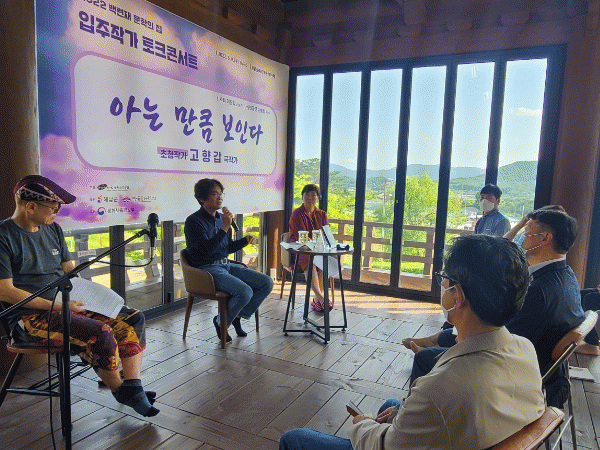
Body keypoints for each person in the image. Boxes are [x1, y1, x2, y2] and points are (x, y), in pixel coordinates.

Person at [279, 234, 545, 450]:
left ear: (457, 296)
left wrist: (362, 424)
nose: (442, 285)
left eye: (444, 280)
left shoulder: (442, 388)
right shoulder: (525, 349)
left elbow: (384, 446)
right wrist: (398, 415)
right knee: (391, 407)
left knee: (294, 440)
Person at [0, 175, 158, 417]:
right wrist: (57, 307)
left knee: (133, 318)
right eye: (53, 208)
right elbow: (5, 291)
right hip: (29, 317)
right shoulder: (4, 236)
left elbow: (68, 269)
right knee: (100, 332)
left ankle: (133, 385)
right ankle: (121, 391)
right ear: (30, 207)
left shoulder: (52, 229)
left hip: (66, 302)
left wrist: (91, 295)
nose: (57, 214)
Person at [406, 207, 584, 408]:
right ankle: (435, 345)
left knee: (425, 356)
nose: (523, 236)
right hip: (544, 367)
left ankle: (412, 407)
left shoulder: (538, 290)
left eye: (527, 232)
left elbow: (494, 335)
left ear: (545, 238)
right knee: (463, 321)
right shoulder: (566, 275)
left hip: (516, 374)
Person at [184, 178, 273, 342]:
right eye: (214, 194)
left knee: (266, 282)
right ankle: (221, 322)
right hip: (207, 269)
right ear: (202, 198)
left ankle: (236, 316)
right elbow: (206, 250)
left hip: (226, 265)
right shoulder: (194, 221)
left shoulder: (221, 218)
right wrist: (225, 227)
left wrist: (244, 241)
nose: (220, 198)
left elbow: (226, 248)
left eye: (221, 194)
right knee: (245, 291)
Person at [288, 184, 338, 312]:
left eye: (313, 195)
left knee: (325, 259)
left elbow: (326, 233)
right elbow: (301, 236)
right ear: (302, 197)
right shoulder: (296, 214)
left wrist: (322, 244)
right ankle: (321, 297)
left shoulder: (322, 214)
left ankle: (317, 298)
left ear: (318, 198)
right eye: (307, 195)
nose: (310, 198)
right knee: (310, 259)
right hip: (300, 251)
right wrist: (316, 244)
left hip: (318, 250)